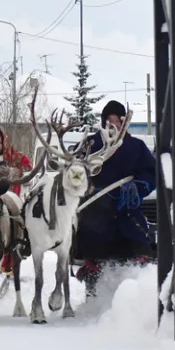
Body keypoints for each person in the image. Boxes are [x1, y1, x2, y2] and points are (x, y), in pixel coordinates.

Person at [73, 100, 156, 287]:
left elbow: (151, 172)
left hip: (126, 210)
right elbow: (75, 170)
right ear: (103, 122)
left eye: (117, 120)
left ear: (123, 121)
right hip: (96, 213)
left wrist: (138, 186)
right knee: (94, 250)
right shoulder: (90, 144)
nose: (113, 125)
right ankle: (93, 296)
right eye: (109, 121)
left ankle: (132, 293)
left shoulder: (136, 146)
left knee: (137, 244)